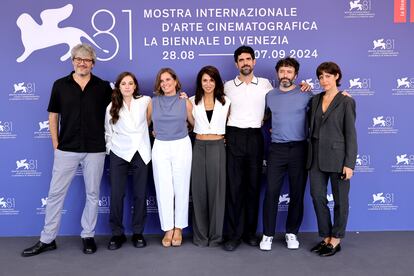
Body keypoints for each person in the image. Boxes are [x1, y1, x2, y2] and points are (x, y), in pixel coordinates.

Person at [22, 43, 112, 257]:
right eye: (78, 59)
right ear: (72, 61)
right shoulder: (60, 85)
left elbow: (116, 112)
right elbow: (53, 115)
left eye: (87, 60)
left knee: (93, 194)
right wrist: (56, 144)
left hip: (95, 148)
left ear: (93, 63)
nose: (82, 63)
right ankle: (47, 239)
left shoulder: (102, 87)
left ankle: (88, 235)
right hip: (67, 148)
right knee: (55, 194)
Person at [222, 45, 274, 251]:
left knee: (253, 187)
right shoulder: (227, 86)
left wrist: (304, 86)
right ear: (236, 64)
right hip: (234, 135)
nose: (245, 63)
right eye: (241, 60)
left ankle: (250, 233)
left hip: (255, 136)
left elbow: (279, 102)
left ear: (254, 62)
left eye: (248, 59)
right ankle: (233, 235)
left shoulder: (265, 84)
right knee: (234, 188)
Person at [259, 57, 311, 251]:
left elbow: (325, 109)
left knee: (297, 192)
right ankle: (268, 234)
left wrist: (344, 96)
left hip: (299, 149)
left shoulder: (306, 94)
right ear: (277, 74)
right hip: (277, 149)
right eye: (282, 72)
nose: (285, 75)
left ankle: (291, 233)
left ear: (296, 75)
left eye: (289, 72)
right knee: (271, 192)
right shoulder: (270, 96)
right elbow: (263, 117)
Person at [307, 62, 357, 257]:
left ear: (336, 76)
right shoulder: (314, 100)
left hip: (338, 158)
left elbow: (351, 135)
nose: (324, 80)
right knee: (317, 197)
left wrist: (349, 163)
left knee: (340, 201)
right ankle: (325, 236)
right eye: (320, 77)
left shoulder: (346, 101)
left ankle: (336, 239)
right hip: (315, 158)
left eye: (328, 76)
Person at [147, 68, 194, 247]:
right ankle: (168, 228)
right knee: (163, 187)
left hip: (182, 145)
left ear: (175, 81)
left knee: (181, 188)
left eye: (168, 79)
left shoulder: (185, 101)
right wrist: (152, 132)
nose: (165, 83)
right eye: (161, 80)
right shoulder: (153, 102)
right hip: (160, 146)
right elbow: (145, 124)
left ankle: (179, 228)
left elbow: (195, 123)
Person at [104, 72, 151, 250]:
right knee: (117, 194)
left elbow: (149, 121)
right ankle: (117, 234)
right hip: (119, 152)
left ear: (135, 86)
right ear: (118, 86)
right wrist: (111, 149)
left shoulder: (146, 101)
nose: (127, 86)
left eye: (130, 83)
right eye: (123, 83)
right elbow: (108, 132)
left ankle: (138, 232)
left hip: (141, 151)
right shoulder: (111, 107)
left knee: (140, 194)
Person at [189, 66, 230, 247]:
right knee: (198, 191)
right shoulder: (190, 101)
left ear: (217, 82)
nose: (208, 84)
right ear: (200, 82)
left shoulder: (226, 101)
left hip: (217, 146)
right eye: (204, 80)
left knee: (217, 192)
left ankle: (216, 236)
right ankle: (200, 236)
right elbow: (191, 124)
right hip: (198, 146)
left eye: (211, 80)